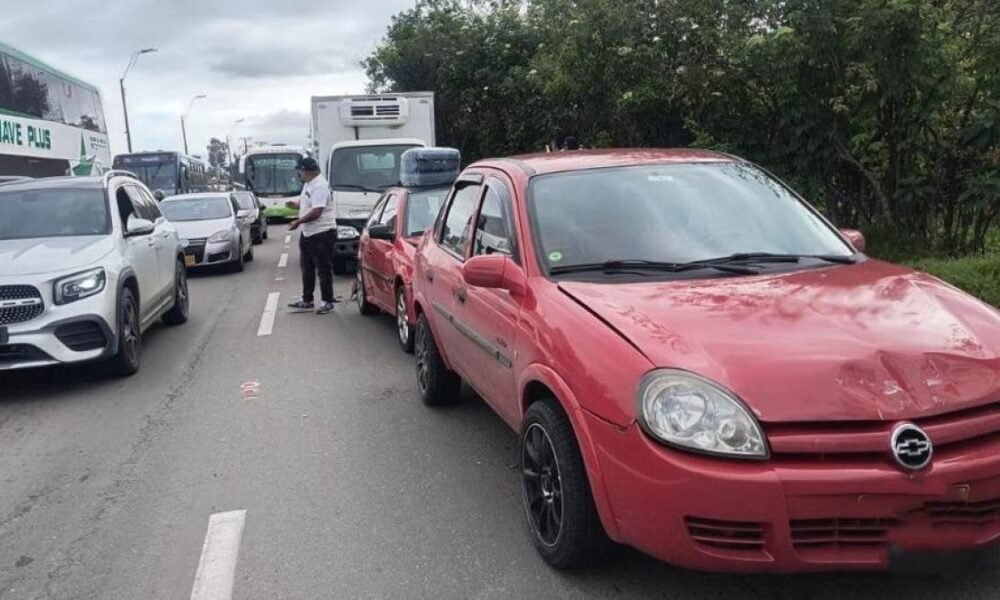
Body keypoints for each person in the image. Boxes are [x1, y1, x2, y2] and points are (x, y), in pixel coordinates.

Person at [286, 157, 337, 314]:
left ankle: (327, 301)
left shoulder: (320, 185)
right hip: (308, 233)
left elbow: (317, 211)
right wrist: (296, 204)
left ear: (307, 171)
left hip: (322, 233)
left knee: (323, 268)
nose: (298, 174)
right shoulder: (309, 184)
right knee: (306, 267)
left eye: (300, 171)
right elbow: (308, 200)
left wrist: (298, 222)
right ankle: (307, 300)